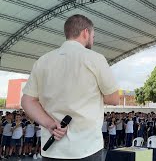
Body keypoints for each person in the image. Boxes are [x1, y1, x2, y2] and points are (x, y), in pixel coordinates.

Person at [21, 14, 119, 160]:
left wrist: (49, 123)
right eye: (93, 36)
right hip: (86, 147)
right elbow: (113, 99)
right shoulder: (95, 59)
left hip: (53, 148)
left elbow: (27, 101)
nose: (93, 39)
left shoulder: (43, 61)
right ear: (85, 32)